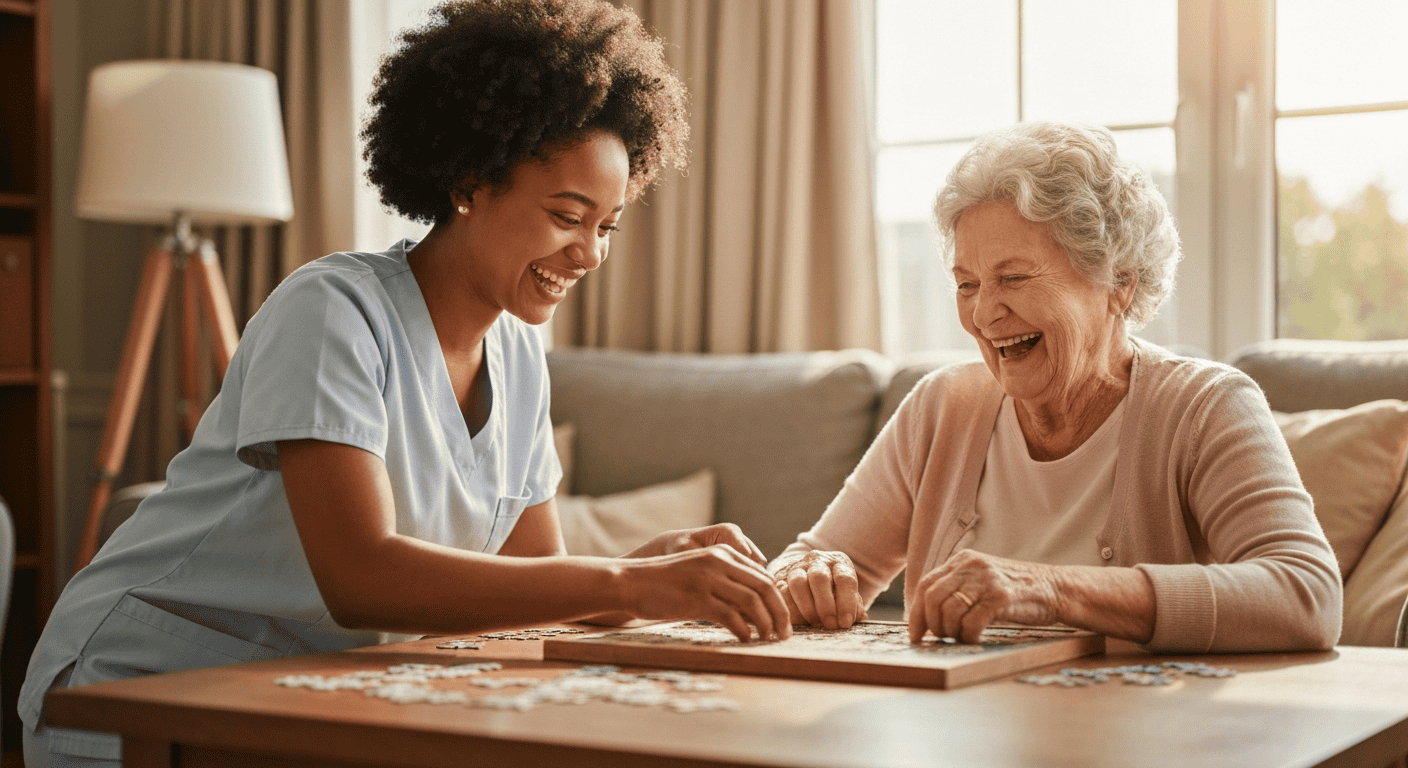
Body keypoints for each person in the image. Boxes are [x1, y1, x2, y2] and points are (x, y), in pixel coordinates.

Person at [23, 1, 790, 764]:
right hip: (142, 683)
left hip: (299, 699)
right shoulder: (332, 311)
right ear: (469, 183)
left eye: (608, 225)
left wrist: (661, 569)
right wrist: (632, 583)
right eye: (567, 215)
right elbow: (359, 576)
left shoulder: (519, 355)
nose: (590, 253)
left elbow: (534, 589)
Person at [771, 121, 1341, 653]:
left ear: (1118, 282)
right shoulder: (941, 408)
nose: (985, 313)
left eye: (1013, 278)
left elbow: (1306, 594)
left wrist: (1049, 590)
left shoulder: (1204, 406)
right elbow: (811, 561)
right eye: (967, 284)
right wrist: (806, 576)